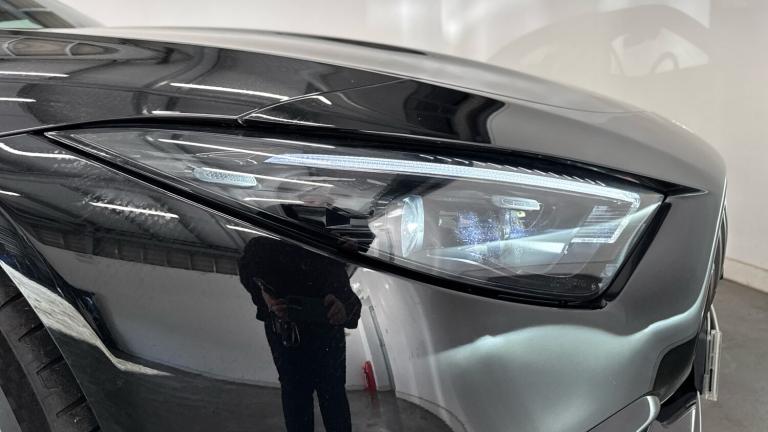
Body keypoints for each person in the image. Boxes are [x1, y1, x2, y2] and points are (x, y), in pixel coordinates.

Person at [239, 236, 362, 432]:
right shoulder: (263, 247)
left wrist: (344, 310)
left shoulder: (327, 253)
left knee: (325, 398)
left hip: (319, 344)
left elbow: (352, 304)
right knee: (305, 399)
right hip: (293, 341)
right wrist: (264, 296)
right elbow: (248, 272)